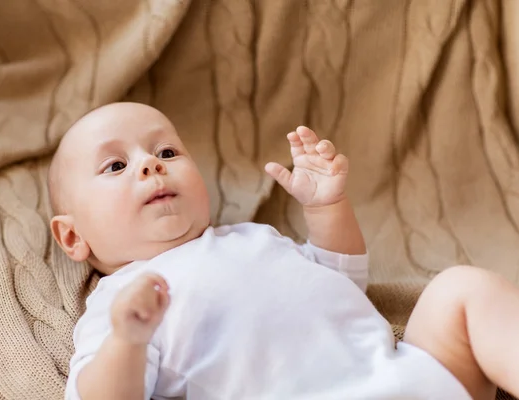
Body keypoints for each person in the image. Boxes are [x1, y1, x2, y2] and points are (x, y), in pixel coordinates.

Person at [48, 102, 519, 400]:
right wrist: (128, 341)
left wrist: (328, 207)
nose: (150, 164)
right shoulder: (122, 305)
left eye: (167, 152)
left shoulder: (254, 238)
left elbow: (342, 286)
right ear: (73, 237)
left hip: (411, 377)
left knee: (461, 289)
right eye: (115, 165)